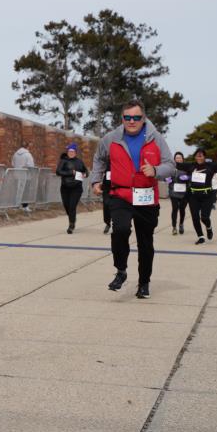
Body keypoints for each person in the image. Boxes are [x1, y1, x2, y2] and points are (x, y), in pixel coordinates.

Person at [90, 99, 174, 299]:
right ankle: (121, 270)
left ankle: (144, 283)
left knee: (145, 243)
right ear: (122, 118)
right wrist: (95, 180)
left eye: (136, 117)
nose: (131, 121)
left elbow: (170, 166)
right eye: (127, 117)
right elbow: (99, 158)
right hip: (121, 194)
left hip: (146, 196)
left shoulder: (156, 139)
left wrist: (155, 170)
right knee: (120, 230)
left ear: (143, 118)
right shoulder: (111, 138)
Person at [177, 148, 217, 245]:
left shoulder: (210, 166)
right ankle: (201, 237)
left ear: (204, 157)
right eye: (197, 155)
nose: (199, 157)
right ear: (195, 157)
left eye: (201, 156)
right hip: (193, 196)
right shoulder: (191, 165)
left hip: (207, 195)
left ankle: (209, 227)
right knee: (195, 217)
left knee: (204, 217)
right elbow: (177, 165)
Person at [55, 142, 88, 233]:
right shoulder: (63, 161)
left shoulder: (79, 162)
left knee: (72, 206)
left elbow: (86, 171)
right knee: (67, 206)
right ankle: (72, 218)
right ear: (67, 152)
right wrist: (70, 173)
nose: (71, 153)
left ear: (75, 152)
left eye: (73, 151)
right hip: (65, 187)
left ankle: (71, 225)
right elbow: (58, 172)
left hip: (77, 188)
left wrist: (85, 174)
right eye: (69, 151)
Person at [166, 152, 189, 235]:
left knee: (182, 209)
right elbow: (165, 176)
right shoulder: (171, 168)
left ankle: (181, 224)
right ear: (174, 159)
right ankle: (174, 227)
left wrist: (187, 177)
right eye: (177, 158)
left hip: (184, 193)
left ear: (182, 159)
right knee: (175, 209)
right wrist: (168, 179)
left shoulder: (187, 168)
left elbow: (191, 176)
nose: (178, 159)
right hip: (173, 192)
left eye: (180, 158)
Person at [12, 141, 35, 212]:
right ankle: (25, 206)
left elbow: (13, 164)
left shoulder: (15, 154)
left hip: (16, 174)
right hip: (25, 175)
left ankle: (16, 205)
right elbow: (31, 166)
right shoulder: (28, 155)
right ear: (28, 147)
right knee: (25, 191)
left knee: (16, 191)